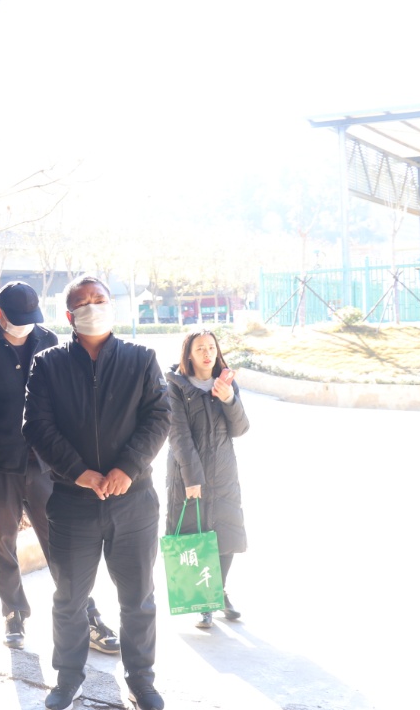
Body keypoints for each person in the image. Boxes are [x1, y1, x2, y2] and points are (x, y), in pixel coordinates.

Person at [23, 275, 170, 710]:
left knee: (138, 599)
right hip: (72, 502)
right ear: (69, 315)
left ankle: (141, 680)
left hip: (134, 501)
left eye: (99, 299)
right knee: (69, 600)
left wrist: (127, 468)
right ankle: (68, 679)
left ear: (112, 305)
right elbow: (36, 425)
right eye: (82, 302)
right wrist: (79, 473)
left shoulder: (141, 358)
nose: (92, 307)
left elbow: (159, 416)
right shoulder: (48, 363)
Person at [0, 282, 120, 654]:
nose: (25, 325)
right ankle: (13, 613)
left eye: (31, 318)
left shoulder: (49, 340)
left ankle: (87, 613)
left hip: (46, 464)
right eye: (18, 319)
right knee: (3, 543)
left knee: (61, 542)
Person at [164, 329, 250, 630]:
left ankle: (219, 592)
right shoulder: (176, 386)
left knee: (225, 533)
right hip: (188, 473)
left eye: (211, 347)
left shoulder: (225, 383)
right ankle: (202, 601)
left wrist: (229, 400)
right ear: (189, 354)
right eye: (200, 348)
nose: (207, 353)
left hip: (224, 470)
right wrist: (192, 478)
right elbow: (178, 434)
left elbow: (240, 429)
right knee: (195, 535)